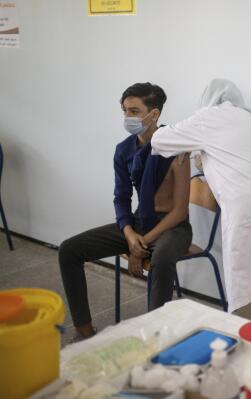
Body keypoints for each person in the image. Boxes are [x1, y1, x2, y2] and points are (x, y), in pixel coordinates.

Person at [150, 79, 251, 319]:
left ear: (206, 101)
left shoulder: (208, 117)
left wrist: (185, 145)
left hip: (250, 208)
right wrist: (204, 155)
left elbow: (159, 140)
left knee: (248, 285)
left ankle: (250, 338)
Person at [59, 83, 192, 341]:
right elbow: (121, 199)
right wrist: (131, 235)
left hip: (172, 228)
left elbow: (179, 211)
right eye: (124, 111)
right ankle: (84, 331)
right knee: (69, 250)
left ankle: (156, 335)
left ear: (154, 114)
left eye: (134, 111)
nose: (127, 118)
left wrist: (141, 243)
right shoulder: (124, 150)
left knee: (162, 259)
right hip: (138, 224)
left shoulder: (177, 148)